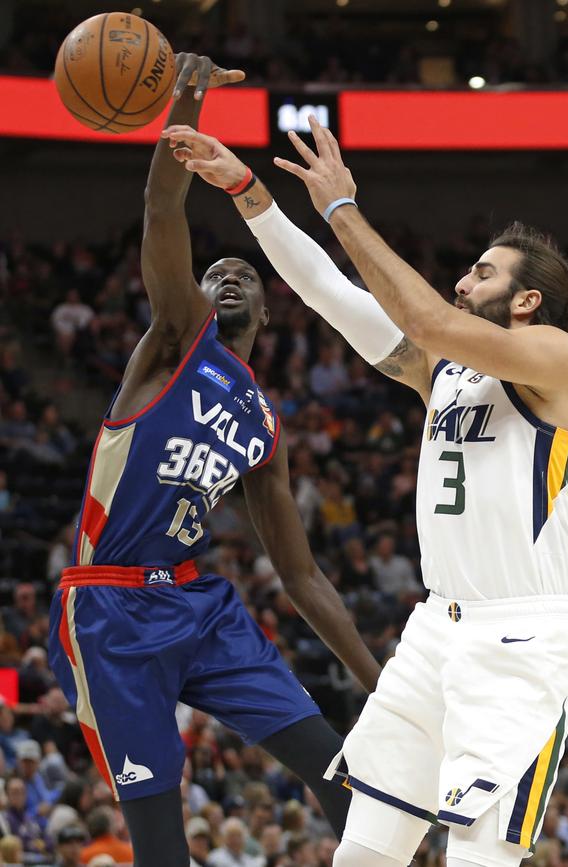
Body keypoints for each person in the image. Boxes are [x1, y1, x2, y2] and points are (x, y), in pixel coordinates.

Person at [162, 117, 568, 867]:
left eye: (484, 273)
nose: (464, 281)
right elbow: (328, 290)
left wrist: (342, 207)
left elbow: (422, 314)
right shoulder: (446, 372)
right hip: (434, 631)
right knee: (362, 849)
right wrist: (246, 189)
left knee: (478, 858)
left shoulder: (561, 361)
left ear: (526, 302)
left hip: (519, 641)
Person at [48, 55, 380, 867]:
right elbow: (163, 205)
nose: (227, 274)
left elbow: (301, 578)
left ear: (270, 307)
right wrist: (187, 104)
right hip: (111, 612)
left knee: (342, 775)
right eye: (213, 272)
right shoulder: (172, 345)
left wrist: (380, 680)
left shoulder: (265, 419)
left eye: (244, 273)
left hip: (201, 607)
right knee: (163, 847)